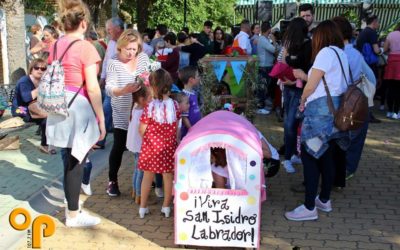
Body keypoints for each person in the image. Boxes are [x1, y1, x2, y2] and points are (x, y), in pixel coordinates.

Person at [45, 0, 105, 227]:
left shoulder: (56, 45)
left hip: (58, 105)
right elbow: (92, 86)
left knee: (71, 160)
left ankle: (73, 208)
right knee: (76, 161)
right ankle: (72, 214)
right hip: (78, 107)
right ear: (83, 23)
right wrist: (101, 118)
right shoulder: (86, 48)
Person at [285, 20, 350, 221]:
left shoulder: (325, 53)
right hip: (335, 113)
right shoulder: (342, 53)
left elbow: (311, 85)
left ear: (322, 36)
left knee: (310, 155)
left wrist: (303, 100)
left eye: (315, 36)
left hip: (319, 115)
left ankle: (309, 206)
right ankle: (324, 199)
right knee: (326, 155)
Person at [105, 29, 150, 197]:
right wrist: (123, 90)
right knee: (119, 144)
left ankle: (145, 178)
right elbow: (109, 89)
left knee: (143, 145)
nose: (131, 53)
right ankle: (112, 180)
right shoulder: (113, 62)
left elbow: (148, 79)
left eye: (134, 49)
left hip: (140, 109)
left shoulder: (143, 58)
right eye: (128, 49)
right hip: (121, 110)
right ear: (120, 48)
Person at [332, 16, 376, 184]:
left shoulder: (337, 53)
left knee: (341, 138)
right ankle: (347, 170)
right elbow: (370, 76)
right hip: (355, 99)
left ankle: (338, 173)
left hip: (341, 101)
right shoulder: (355, 53)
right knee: (353, 137)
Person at [138, 69, 180, 219]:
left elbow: (141, 129)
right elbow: (176, 128)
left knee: (147, 176)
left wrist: (148, 139)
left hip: (150, 147)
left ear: (153, 86)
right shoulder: (175, 105)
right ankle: (166, 207)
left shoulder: (149, 106)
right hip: (168, 147)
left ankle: (143, 207)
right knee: (168, 177)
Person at [281, 18, 312, 173]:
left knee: (292, 124)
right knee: (289, 123)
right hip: (288, 88)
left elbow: (306, 69)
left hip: (300, 90)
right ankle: (290, 155)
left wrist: (295, 80)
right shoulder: (290, 45)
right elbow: (283, 63)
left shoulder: (308, 45)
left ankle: (290, 156)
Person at [11, 58, 52, 154]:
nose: (39, 70)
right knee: (45, 118)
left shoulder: (43, 80)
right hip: (20, 109)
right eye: (36, 68)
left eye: (43, 69)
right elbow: (26, 98)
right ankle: (45, 144)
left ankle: (46, 143)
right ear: (31, 69)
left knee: (49, 117)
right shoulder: (24, 81)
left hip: (35, 108)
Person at [95, 17, 125, 149]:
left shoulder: (129, 40)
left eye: (109, 30)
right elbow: (106, 60)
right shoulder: (111, 42)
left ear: (118, 29)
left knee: (122, 114)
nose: (108, 33)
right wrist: (102, 77)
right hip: (111, 84)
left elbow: (146, 51)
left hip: (125, 84)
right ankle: (100, 139)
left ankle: (123, 142)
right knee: (106, 110)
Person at [126, 83, 151, 205]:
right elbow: (143, 130)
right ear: (142, 99)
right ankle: (139, 194)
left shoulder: (135, 107)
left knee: (137, 169)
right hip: (140, 145)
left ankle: (135, 192)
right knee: (140, 171)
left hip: (135, 145)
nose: (151, 99)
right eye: (149, 97)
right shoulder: (142, 112)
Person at [356, 15, 382, 123]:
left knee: (363, 87)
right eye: (378, 22)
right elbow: (376, 50)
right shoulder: (372, 33)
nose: (379, 24)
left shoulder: (363, 32)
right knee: (370, 86)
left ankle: (362, 112)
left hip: (362, 62)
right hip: (369, 64)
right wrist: (381, 52)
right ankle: (368, 114)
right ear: (374, 22)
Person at [256, 21, 278, 115]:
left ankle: (263, 106)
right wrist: (274, 41)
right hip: (265, 67)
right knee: (265, 88)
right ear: (269, 29)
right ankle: (263, 107)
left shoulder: (263, 39)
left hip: (265, 66)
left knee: (265, 87)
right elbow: (274, 50)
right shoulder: (263, 39)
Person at [179, 66, 201, 138]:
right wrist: (191, 130)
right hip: (189, 133)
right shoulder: (185, 96)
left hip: (196, 129)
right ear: (191, 80)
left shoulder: (194, 92)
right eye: (197, 76)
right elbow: (184, 117)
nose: (199, 77)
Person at [383, 24, 400, 119]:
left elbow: (385, 49)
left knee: (390, 88)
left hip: (391, 62)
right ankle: (397, 111)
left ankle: (389, 111)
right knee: (399, 89)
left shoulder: (391, 34)